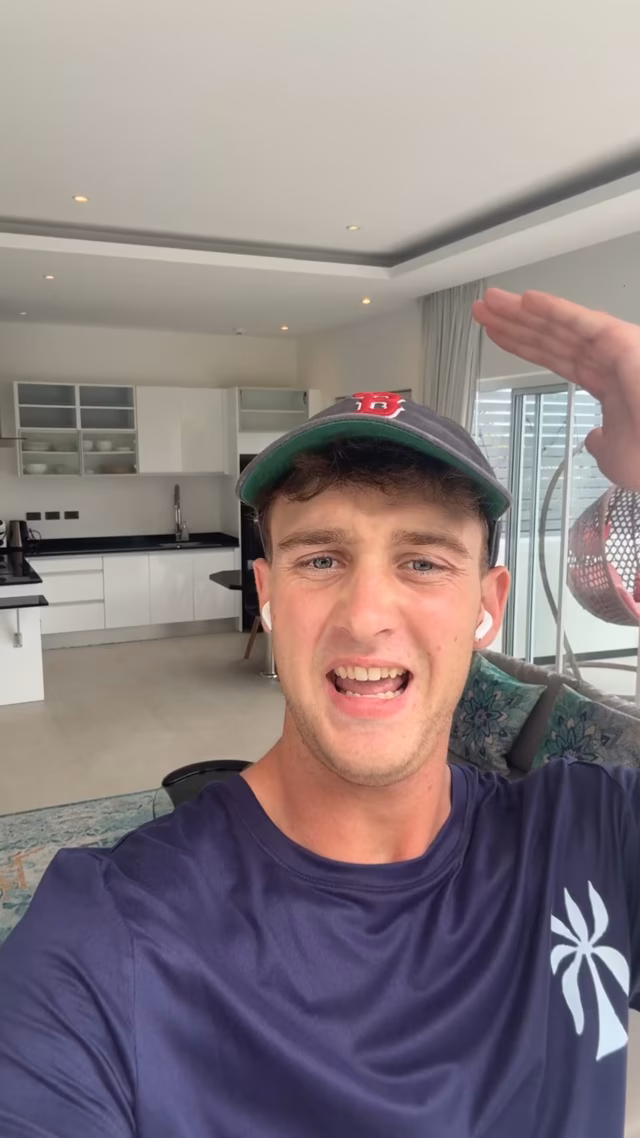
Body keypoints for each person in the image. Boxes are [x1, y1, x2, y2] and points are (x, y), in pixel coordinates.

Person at [0, 289, 639, 1138]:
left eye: (423, 562)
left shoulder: (592, 837)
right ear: (267, 597)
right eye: (322, 559)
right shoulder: (108, 937)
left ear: (488, 605)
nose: (366, 617)